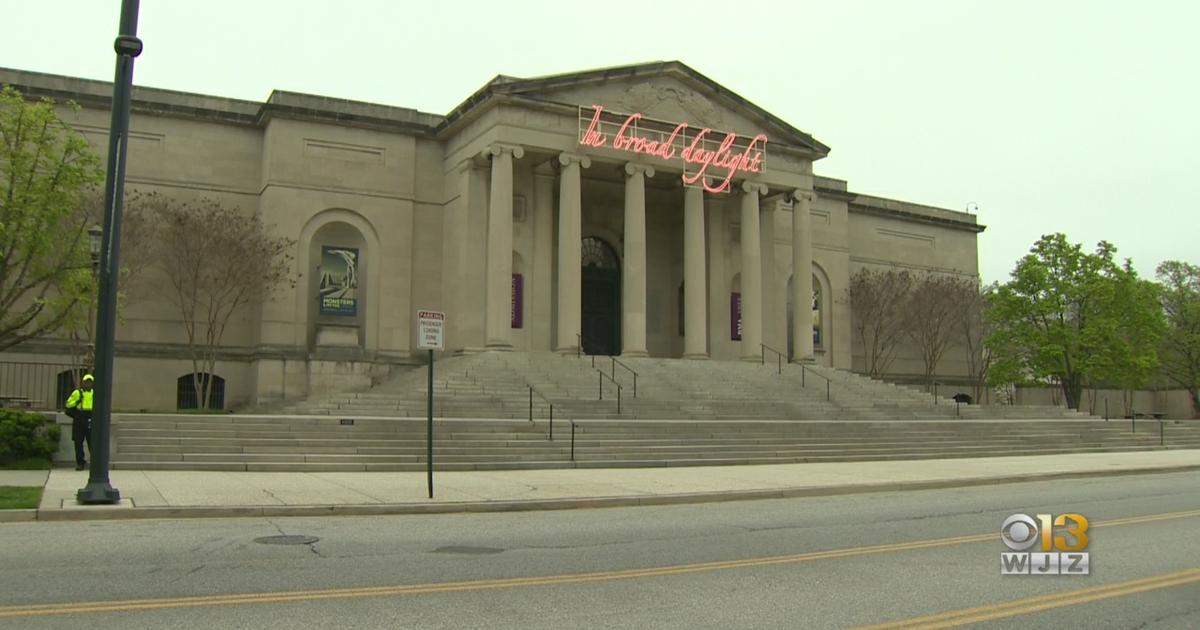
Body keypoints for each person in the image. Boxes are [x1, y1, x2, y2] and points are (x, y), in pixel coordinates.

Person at [64, 374, 94, 471]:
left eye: (90, 382)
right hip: (79, 419)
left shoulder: (95, 393)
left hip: (91, 419)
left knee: (92, 442)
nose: (88, 384)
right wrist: (77, 402)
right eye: (86, 382)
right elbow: (68, 405)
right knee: (78, 442)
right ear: (83, 383)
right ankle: (80, 463)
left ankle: (94, 463)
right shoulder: (77, 393)